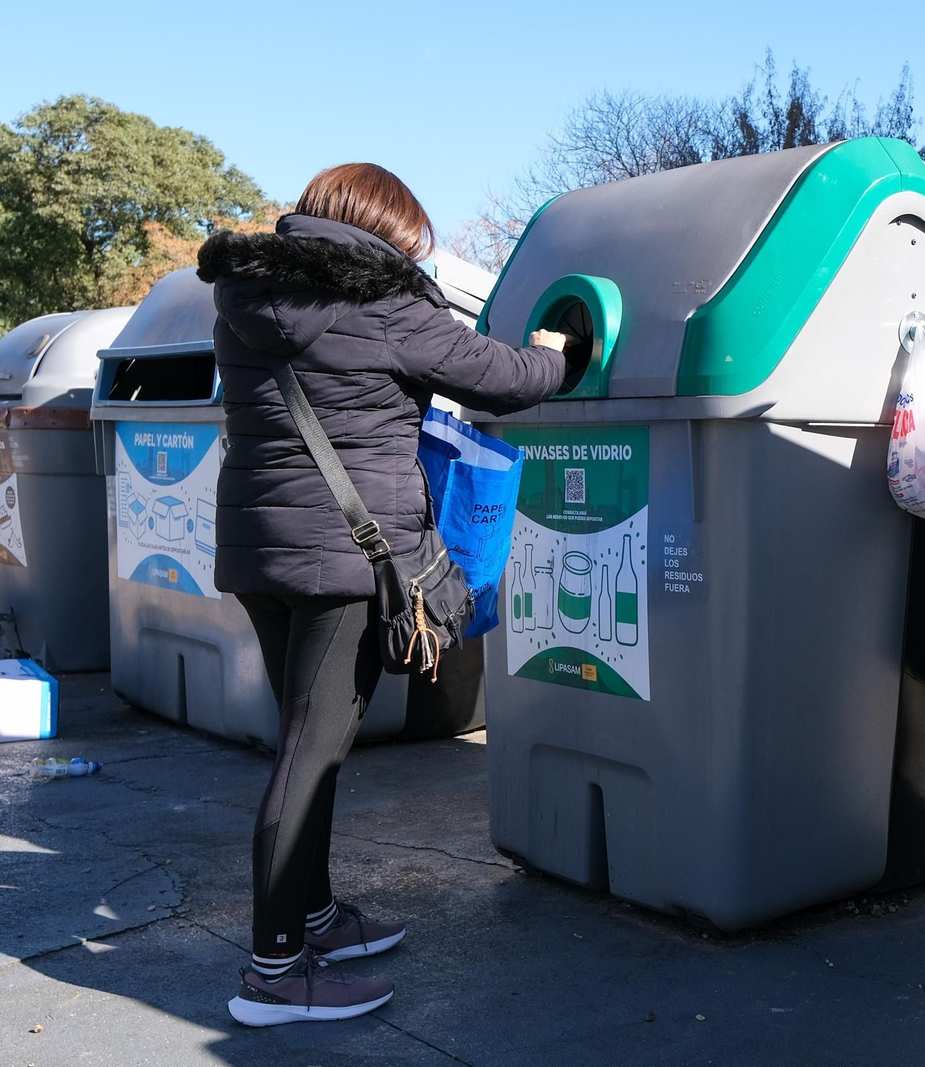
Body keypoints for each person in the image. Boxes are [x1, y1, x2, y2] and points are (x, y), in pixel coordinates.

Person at [196, 163, 576, 1026]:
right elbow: (504, 378)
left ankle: (315, 917)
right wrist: (559, 353)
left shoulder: (243, 297)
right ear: (388, 233)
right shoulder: (385, 303)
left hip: (259, 550)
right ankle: (274, 972)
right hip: (344, 558)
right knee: (311, 753)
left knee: (306, 739)